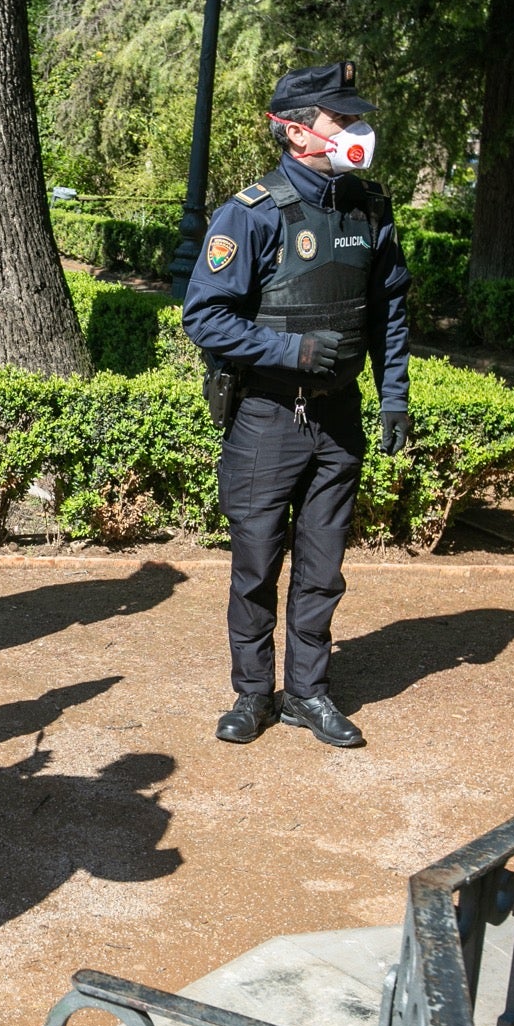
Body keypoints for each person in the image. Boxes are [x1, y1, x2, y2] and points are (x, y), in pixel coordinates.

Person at [181, 61, 413, 750]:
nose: (359, 131)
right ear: (295, 130)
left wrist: (394, 397)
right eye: (344, 119)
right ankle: (253, 694)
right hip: (267, 417)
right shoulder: (251, 213)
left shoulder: (370, 208)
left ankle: (307, 693)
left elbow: (390, 310)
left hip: (338, 419)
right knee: (256, 565)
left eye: (357, 119)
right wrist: (293, 351)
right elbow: (205, 316)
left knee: (322, 567)